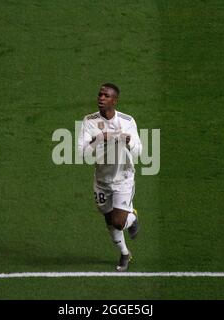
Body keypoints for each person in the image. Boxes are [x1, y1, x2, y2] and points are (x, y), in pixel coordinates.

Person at [77, 83, 142, 271]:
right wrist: (99, 138)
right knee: (109, 221)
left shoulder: (128, 121)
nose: (101, 98)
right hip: (102, 181)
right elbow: (81, 154)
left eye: (106, 96)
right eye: (100, 94)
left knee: (118, 221)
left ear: (115, 100)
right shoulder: (89, 121)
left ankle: (132, 218)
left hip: (123, 178)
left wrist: (130, 142)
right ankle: (124, 253)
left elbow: (139, 152)